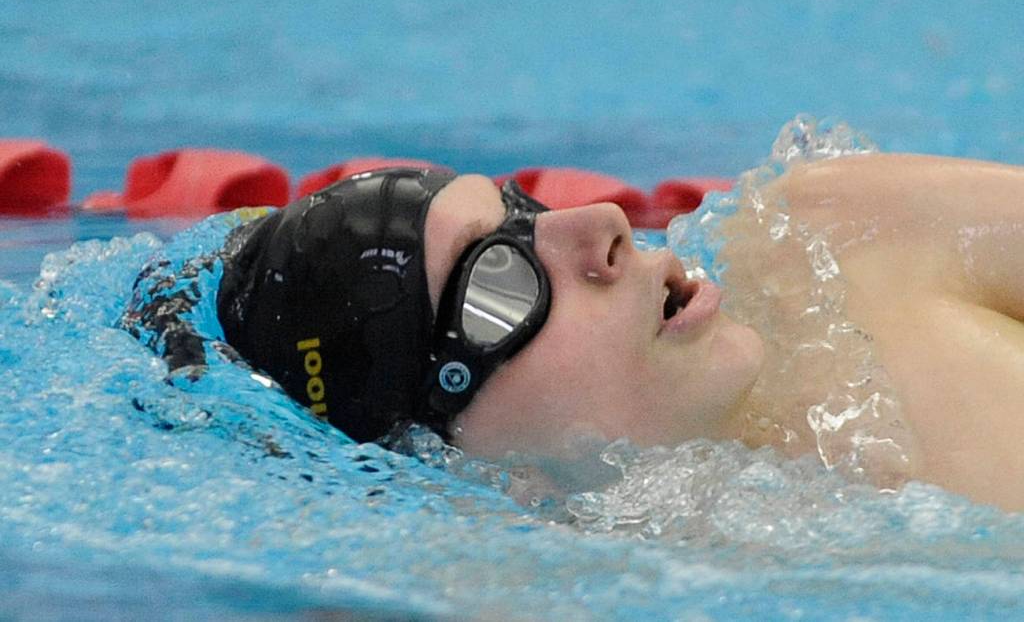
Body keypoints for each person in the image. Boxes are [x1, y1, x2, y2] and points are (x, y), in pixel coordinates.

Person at [130, 154, 1024, 512]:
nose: (598, 223)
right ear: (432, 457)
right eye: (498, 282)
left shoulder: (851, 242)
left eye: (525, 211)